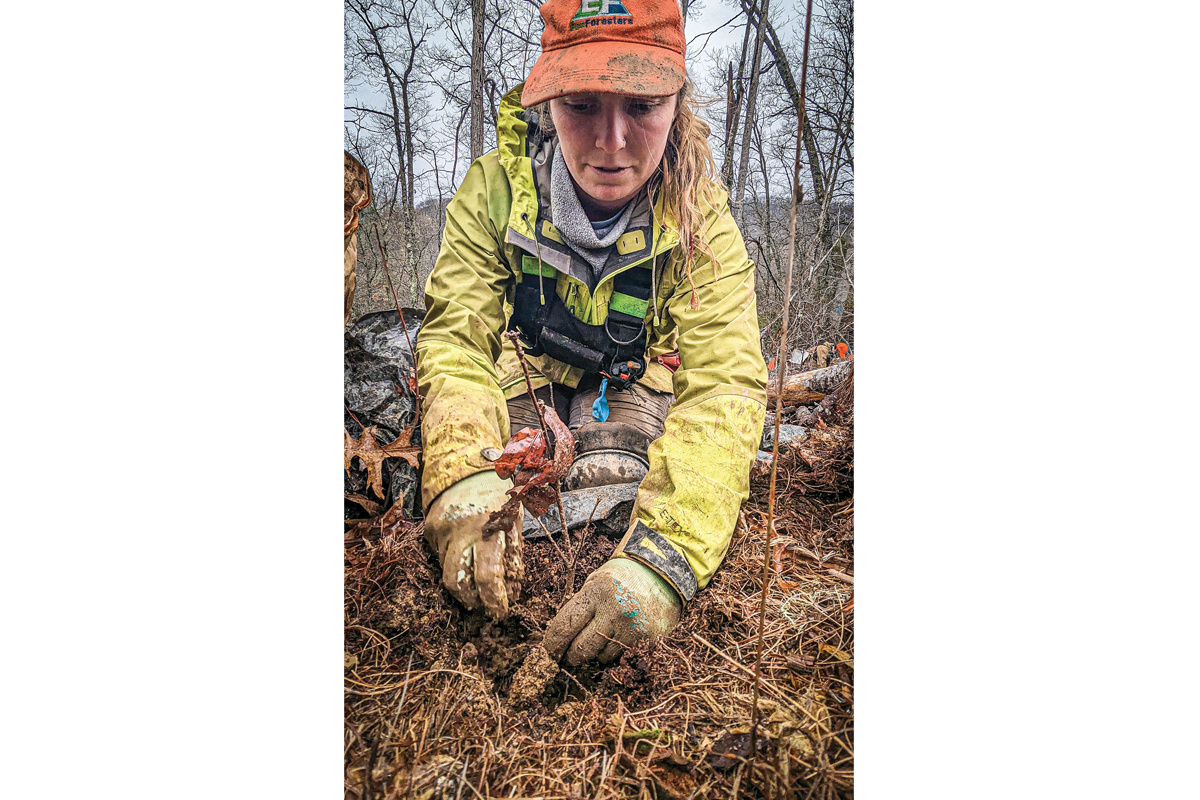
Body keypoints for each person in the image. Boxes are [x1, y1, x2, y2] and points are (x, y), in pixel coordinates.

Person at [416, 0, 767, 667]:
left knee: (621, 474)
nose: (611, 141)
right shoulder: (494, 191)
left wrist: (663, 563)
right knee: (516, 497)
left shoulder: (700, 213)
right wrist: (462, 485)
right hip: (531, 372)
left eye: (641, 105)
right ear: (545, 99)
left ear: (677, 101)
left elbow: (725, 381)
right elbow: (457, 339)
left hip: (637, 375)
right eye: (580, 103)